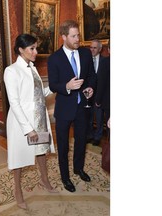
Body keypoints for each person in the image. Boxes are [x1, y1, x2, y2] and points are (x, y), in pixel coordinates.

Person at [4, 34, 57, 210]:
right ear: (21, 50)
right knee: (19, 157)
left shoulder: (32, 68)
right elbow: (15, 102)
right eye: (32, 48)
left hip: (39, 118)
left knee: (41, 152)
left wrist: (59, 87)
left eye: (36, 48)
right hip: (22, 123)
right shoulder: (11, 71)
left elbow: (38, 94)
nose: (36, 52)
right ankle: (17, 190)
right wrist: (28, 129)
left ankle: (44, 180)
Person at [47, 20, 96, 193]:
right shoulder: (54, 58)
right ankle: (65, 177)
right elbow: (53, 84)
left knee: (81, 141)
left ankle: (78, 169)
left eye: (78, 35)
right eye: (74, 36)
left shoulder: (85, 53)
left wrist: (90, 87)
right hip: (64, 109)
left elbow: (91, 76)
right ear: (64, 37)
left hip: (83, 107)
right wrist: (66, 86)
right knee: (63, 145)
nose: (78, 39)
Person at [87, 39, 104, 146]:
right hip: (87, 94)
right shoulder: (85, 60)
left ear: (100, 49)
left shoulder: (105, 61)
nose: (92, 50)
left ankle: (98, 137)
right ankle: (89, 135)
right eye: (91, 47)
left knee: (99, 118)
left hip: (99, 95)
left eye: (94, 48)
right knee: (88, 117)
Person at [95, 40, 110, 135]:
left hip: (108, 102)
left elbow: (101, 83)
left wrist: (98, 101)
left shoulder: (105, 62)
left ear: (108, 49)